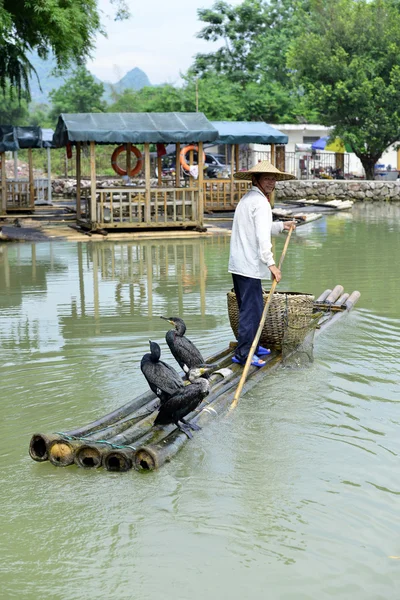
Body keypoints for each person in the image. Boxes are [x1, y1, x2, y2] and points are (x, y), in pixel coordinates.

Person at [228, 161, 296, 367]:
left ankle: (253, 346)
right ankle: (244, 354)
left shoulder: (250, 199)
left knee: (248, 308)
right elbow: (261, 238)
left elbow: (261, 228)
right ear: (256, 179)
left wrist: (281, 226)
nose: (271, 182)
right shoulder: (261, 203)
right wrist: (272, 264)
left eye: (273, 178)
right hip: (248, 266)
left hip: (239, 264)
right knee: (252, 311)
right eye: (267, 178)